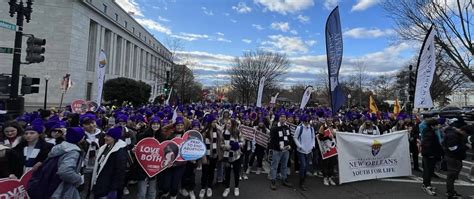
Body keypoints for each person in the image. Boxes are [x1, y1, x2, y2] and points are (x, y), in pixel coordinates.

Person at [49, 127, 87, 199]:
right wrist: (78, 180)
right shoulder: (73, 152)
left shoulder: (59, 147)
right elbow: (65, 171)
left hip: (52, 185)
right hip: (62, 189)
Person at [91, 126, 128, 199]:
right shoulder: (105, 147)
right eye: (105, 135)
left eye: (108, 136)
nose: (105, 137)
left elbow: (119, 172)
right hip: (100, 184)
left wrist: (113, 189)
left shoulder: (119, 152)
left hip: (107, 188)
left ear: (114, 138)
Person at [159, 116, 188, 199]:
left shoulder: (186, 136)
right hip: (169, 163)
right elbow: (162, 130)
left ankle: (173, 196)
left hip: (181, 164)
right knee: (166, 184)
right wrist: (171, 124)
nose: (180, 127)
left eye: (181, 125)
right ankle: (166, 192)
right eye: (178, 125)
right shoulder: (169, 134)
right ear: (175, 126)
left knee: (175, 184)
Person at [135, 117, 162, 199]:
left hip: (154, 168)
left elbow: (164, 151)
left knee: (152, 191)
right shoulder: (142, 136)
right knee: (142, 192)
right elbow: (137, 148)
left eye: (157, 124)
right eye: (154, 124)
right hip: (143, 167)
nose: (156, 126)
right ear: (150, 125)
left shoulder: (162, 137)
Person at [81, 113, 105, 198]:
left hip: (98, 165)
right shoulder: (81, 135)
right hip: (85, 166)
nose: (91, 125)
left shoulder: (103, 135)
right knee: (85, 185)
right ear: (83, 125)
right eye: (87, 124)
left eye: (92, 122)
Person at [199, 114, 223, 198]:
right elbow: (201, 145)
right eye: (213, 122)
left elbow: (220, 143)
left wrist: (219, 154)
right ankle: (203, 187)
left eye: (215, 122)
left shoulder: (218, 131)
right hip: (205, 156)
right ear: (209, 123)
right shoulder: (204, 132)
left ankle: (209, 186)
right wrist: (203, 156)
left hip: (214, 155)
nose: (214, 123)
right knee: (204, 172)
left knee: (211, 172)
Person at [442, 126, 469, 198]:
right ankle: (450, 193)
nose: (465, 134)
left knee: (452, 176)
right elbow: (452, 148)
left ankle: (451, 192)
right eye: (465, 133)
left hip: (453, 157)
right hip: (453, 158)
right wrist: (465, 147)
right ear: (462, 130)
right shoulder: (453, 136)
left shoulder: (454, 134)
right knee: (451, 176)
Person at [221, 119, 244, 197]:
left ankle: (236, 187)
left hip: (236, 155)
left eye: (229, 123)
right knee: (227, 173)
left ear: (233, 124)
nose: (228, 125)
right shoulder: (223, 132)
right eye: (227, 123)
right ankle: (227, 188)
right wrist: (225, 146)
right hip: (227, 155)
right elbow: (221, 143)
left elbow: (243, 141)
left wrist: (237, 145)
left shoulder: (237, 132)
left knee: (236, 173)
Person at [269, 112, 292, 190]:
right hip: (277, 151)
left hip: (286, 151)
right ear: (279, 118)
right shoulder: (274, 128)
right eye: (281, 117)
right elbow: (272, 140)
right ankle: (273, 181)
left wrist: (290, 145)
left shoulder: (287, 127)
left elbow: (290, 138)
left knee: (284, 165)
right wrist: (279, 146)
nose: (283, 118)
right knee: (274, 166)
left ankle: (284, 179)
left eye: (284, 117)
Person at [420, 118, 443, 196]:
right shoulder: (429, 133)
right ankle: (427, 186)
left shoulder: (429, 131)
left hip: (429, 154)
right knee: (428, 171)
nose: (439, 126)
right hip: (430, 155)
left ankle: (426, 184)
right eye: (437, 124)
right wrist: (430, 154)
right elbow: (426, 144)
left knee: (428, 170)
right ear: (433, 125)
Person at [293, 114, 315, 191]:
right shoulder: (299, 128)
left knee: (306, 166)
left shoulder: (311, 128)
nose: (307, 123)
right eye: (306, 121)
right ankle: (301, 182)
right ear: (303, 121)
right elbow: (295, 137)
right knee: (303, 165)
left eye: (308, 121)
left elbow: (313, 137)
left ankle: (304, 179)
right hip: (301, 151)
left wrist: (313, 145)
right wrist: (300, 146)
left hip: (309, 150)